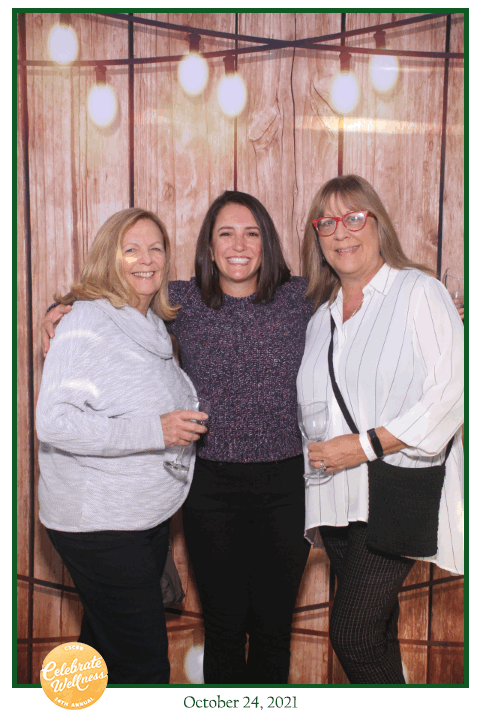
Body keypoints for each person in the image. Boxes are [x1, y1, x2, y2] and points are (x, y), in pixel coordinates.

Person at [42, 191, 312, 685]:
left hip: (287, 486)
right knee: (222, 628)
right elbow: (114, 295)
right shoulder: (183, 301)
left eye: (251, 233)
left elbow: (363, 293)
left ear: (267, 244)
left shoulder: (300, 298)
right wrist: (60, 309)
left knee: (273, 630)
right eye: (226, 233)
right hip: (210, 489)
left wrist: (441, 308)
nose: (239, 245)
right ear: (208, 246)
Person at [297, 175, 464, 685]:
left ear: (377, 223)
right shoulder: (320, 319)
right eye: (327, 222)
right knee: (378, 631)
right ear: (317, 236)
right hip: (334, 500)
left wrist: (366, 445)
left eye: (354, 217)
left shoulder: (418, 291)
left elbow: (456, 390)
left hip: (394, 493)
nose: (341, 232)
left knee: (353, 634)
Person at [36, 208, 208, 685]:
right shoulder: (85, 320)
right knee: (143, 668)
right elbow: (54, 422)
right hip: (99, 524)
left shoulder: (149, 321)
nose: (145, 260)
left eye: (155, 248)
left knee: (103, 654)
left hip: (137, 519)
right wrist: (156, 431)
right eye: (130, 249)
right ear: (107, 257)